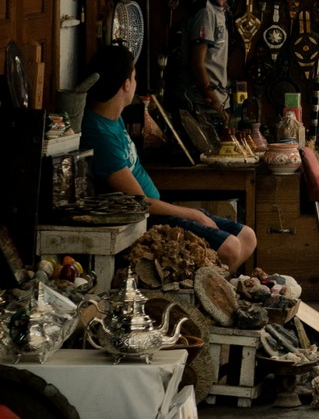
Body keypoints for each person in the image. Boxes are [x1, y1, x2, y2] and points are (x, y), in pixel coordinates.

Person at [83, 45, 258, 271]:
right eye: (134, 77)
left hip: (158, 210)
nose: (135, 84)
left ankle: (210, 284)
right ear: (126, 84)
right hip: (147, 220)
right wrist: (193, 214)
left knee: (247, 236)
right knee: (230, 248)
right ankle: (205, 286)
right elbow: (139, 202)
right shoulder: (99, 134)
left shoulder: (113, 118)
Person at [174, 0, 245, 120]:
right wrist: (216, 104)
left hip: (215, 100)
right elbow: (197, 63)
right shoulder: (206, 12)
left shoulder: (221, 10)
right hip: (199, 103)